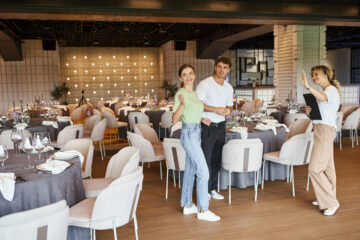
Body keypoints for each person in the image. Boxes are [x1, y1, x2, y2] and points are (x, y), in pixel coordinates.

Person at [172, 64, 220, 222]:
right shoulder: (181, 93)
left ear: (194, 75)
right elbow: (174, 119)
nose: (188, 76)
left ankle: (187, 205)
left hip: (197, 131)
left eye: (190, 73)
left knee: (191, 170)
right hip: (189, 134)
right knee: (203, 171)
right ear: (181, 78)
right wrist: (183, 104)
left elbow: (191, 113)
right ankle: (203, 210)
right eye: (184, 74)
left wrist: (201, 119)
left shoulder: (194, 94)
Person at [299, 65, 341, 216]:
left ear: (326, 74)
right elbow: (321, 114)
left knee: (314, 169)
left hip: (324, 131)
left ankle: (330, 202)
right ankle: (327, 198)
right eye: (313, 76)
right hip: (321, 129)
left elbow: (323, 98)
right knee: (328, 168)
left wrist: (307, 86)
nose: (315, 78)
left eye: (317, 75)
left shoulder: (330, 90)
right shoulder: (325, 92)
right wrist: (310, 113)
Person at [196, 56, 233, 200]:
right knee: (205, 160)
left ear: (228, 70)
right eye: (219, 66)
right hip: (208, 126)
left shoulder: (228, 87)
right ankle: (202, 191)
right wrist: (215, 110)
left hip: (221, 127)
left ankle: (211, 189)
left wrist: (228, 110)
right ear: (215, 67)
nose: (221, 69)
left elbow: (230, 105)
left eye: (225, 67)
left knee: (216, 160)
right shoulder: (205, 83)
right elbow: (197, 104)